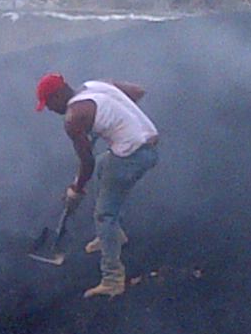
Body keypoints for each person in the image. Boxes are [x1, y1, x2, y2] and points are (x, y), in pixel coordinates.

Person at [36, 72, 159, 299]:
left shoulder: (74, 118)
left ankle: (112, 279)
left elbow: (86, 162)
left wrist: (76, 190)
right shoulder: (94, 85)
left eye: (50, 104)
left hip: (133, 156)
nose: (51, 110)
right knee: (105, 165)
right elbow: (138, 92)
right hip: (148, 144)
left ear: (59, 94)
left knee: (104, 215)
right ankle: (112, 237)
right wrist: (116, 120)